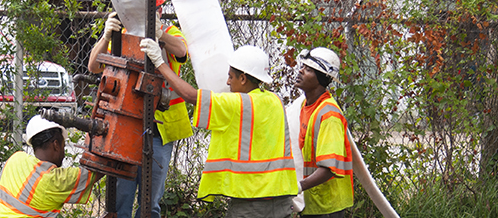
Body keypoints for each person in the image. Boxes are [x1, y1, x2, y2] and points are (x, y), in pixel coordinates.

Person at [141, 40, 299, 218]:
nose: (228, 82)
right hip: (281, 197)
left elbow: (192, 96)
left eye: (231, 76)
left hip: (251, 200)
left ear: (243, 78)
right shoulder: (275, 101)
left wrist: (160, 63)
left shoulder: (237, 104)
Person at [87, 0, 193, 217]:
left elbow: (182, 51)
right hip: (127, 127)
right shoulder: (122, 34)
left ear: (159, 12)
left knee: (150, 203)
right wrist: (106, 37)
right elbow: (93, 66)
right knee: (121, 199)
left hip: (160, 130)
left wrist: (159, 35)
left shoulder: (170, 33)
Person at [0, 115, 103, 217]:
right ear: (56, 145)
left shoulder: (15, 159)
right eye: (63, 145)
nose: (63, 152)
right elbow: (99, 168)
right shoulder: (52, 181)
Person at [294, 47, 354, 217]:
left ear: (321, 78)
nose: (300, 71)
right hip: (314, 203)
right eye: (303, 66)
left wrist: (299, 187)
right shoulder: (305, 106)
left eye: (308, 70)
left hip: (328, 206)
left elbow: (329, 168)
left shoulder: (329, 115)